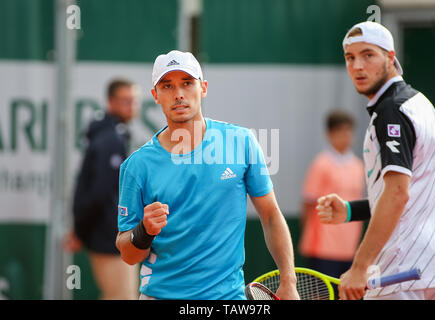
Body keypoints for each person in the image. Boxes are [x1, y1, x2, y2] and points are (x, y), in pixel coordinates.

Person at [115, 50, 299, 300]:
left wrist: (288, 281)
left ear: (203, 88)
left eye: (187, 83)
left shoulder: (241, 142)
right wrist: (144, 230)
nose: (179, 94)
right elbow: (128, 255)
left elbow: (270, 215)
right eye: (167, 86)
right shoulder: (136, 166)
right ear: (155, 95)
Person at [316, 21, 435, 300]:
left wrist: (359, 267)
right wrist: (350, 211)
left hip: (401, 272)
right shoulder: (420, 103)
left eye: (368, 55)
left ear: (391, 58)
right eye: (350, 58)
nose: (358, 66)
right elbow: (413, 193)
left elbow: (398, 193)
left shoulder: (392, 111)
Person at [65, 79, 140, 299]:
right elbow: (99, 193)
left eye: (133, 101)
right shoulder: (111, 139)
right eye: (125, 101)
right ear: (111, 102)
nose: (131, 106)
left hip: (110, 238)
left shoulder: (112, 135)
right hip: (110, 240)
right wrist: (80, 231)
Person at [298, 110, 365, 281]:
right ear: (329, 134)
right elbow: (308, 202)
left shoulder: (359, 166)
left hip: (350, 248)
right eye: (340, 131)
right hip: (322, 248)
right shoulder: (321, 164)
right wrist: (308, 237)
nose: (345, 136)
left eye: (348, 131)